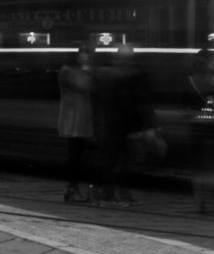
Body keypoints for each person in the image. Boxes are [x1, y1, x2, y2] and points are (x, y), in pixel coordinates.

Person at [93, 43, 150, 207]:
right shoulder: (123, 76)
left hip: (114, 124)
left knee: (117, 162)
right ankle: (109, 196)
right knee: (116, 162)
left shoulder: (109, 74)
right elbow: (132, 103)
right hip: (117, 125)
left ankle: (115, 195)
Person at [185, 49, 214, 215]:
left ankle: (199, 203)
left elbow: (185, 105)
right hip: (213, 127)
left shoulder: (190, 80)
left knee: (198, 168)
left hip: (195, 126)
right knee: (211, 168)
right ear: (207, 62)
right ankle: (208, 204)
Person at [57, 44, 94, 203]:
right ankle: (72, 189)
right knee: (74, 156)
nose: (86, 56)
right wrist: (87, 70)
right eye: (83, 53)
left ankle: (75, 188)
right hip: (73, 120)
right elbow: (85, 86)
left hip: (81, 118)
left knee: (78, 155)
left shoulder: (76, 70)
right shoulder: (67, 71)